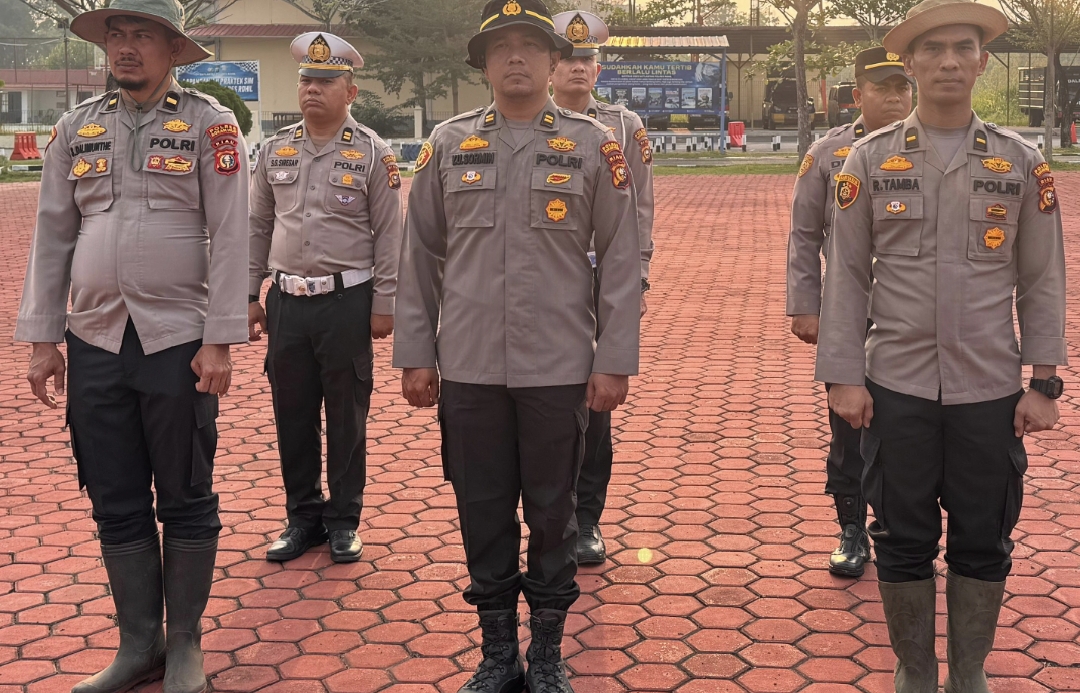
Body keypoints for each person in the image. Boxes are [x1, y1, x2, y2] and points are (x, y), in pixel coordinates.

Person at [817, 0, 1067, 690]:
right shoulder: (868, 160)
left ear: (982, 61)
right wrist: (843, 375)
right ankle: (914, 669)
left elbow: (1043, 277)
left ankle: (970, 672)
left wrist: (1043, 380)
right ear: (910, 63)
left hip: (988, 388)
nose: (950, 61)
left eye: (964, 48)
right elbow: (845, 276)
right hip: (895, 383)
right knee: (901, 535)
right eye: (934, 50)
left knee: (984, 535)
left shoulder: (1021, 162)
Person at [393, 1, 641, 691]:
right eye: (500, 47)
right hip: (469, 366)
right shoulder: (447, 144)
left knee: (554, 512)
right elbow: (419, 255)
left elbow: (621, 257)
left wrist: (614, 358)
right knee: (482, 507)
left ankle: (548, 652)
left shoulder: (596, 145)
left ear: (555, 60)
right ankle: (498, 652)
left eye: (530, 45)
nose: (515, 59)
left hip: (559, 367)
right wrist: (417, 353)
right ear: (483, 61)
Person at [14, 0, 250, 690]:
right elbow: (52, 235)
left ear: (172, 48)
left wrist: (221, 341)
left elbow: (233, 235)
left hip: (177, 339)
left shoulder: (213, 125)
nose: (125, 47)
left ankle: (184, 647)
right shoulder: (75, 128)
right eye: (116, 35)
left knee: (183, 487)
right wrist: (41, 338)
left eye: (141, 34)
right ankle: (137, 643)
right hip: (92, 338)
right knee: (113, 492)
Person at [249, 32, 403, 564]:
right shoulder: (274, 149)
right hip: (286, 302)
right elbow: (256, 225)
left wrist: (386, 303)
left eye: (326, 81)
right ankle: (302, 517)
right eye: (307, 80)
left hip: (347, 302)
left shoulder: (372, 153)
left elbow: (389, 235)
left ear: (350, 91)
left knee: (345, 415)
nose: (313, 89)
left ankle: (344, 519)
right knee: (291, 413)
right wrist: (249, 294)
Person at [786, 46, 913, 578]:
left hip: (909, 310)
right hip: (849, 308)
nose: (894, 97)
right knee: (849, 424)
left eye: (901, 87)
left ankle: (902, 529)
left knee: (909, 422)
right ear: (859, 94)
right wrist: (805, 306)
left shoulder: (929, 149)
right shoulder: (829, 152)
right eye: (882, 88)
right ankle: (851, 529)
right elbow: (804, 233)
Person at [550, 9, 654, 566]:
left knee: (596, 406)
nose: (577, 68)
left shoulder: (623, 128)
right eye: (567, 58)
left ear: (599, 66)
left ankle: (586, 517)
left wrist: (634, 278)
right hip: (546, 281)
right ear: (550, 65)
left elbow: (641, 211)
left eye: (587, 59)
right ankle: (550, 512)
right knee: (541, 400)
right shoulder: (526, 123)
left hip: (601, 280)